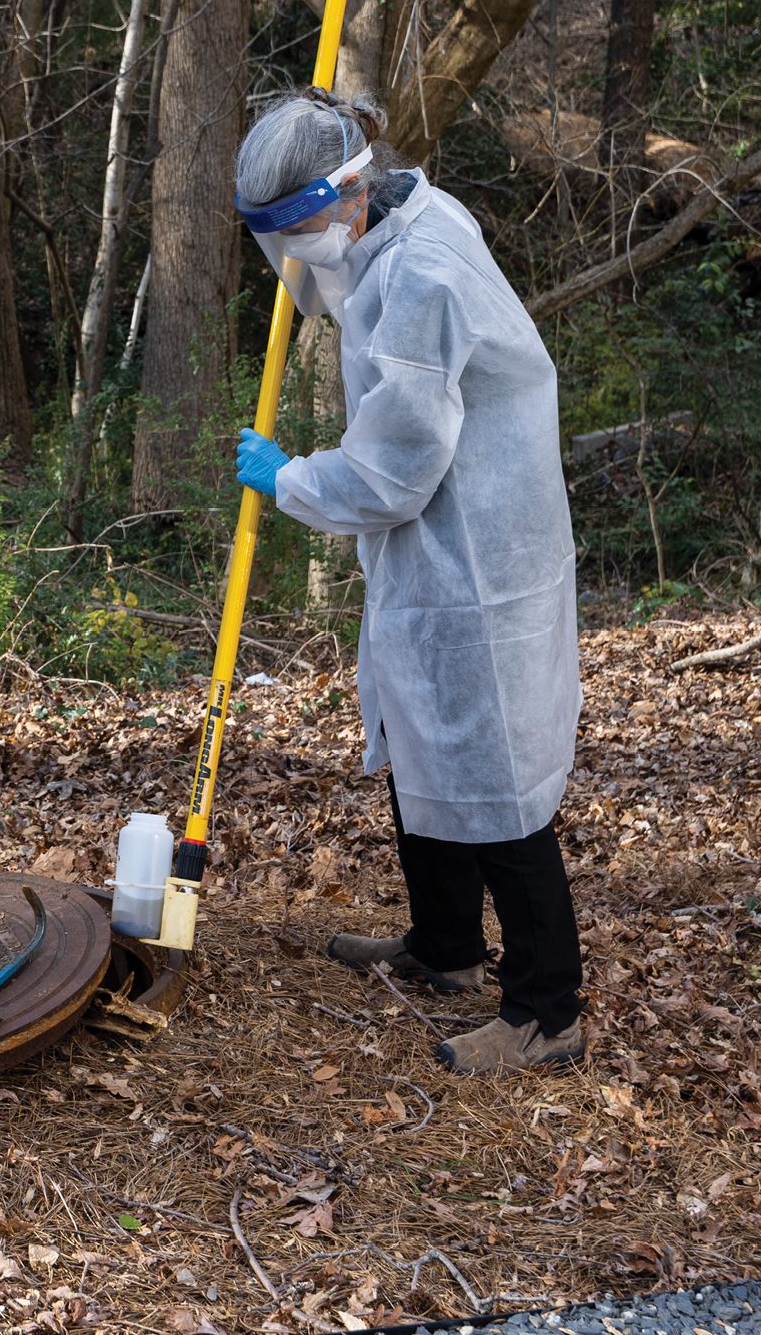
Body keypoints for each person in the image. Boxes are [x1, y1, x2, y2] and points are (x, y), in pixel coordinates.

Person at [230, 88, 586, 1074]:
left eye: (304, 229)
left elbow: (391, 471)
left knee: (498, 786)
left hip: (478, 557)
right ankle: (444, 946)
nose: (300, 254)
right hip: (440, 546)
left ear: (350, 192)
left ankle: (546, 1012)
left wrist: (291, 477)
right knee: (424, 745)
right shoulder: (399, 221)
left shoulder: (422, 271)